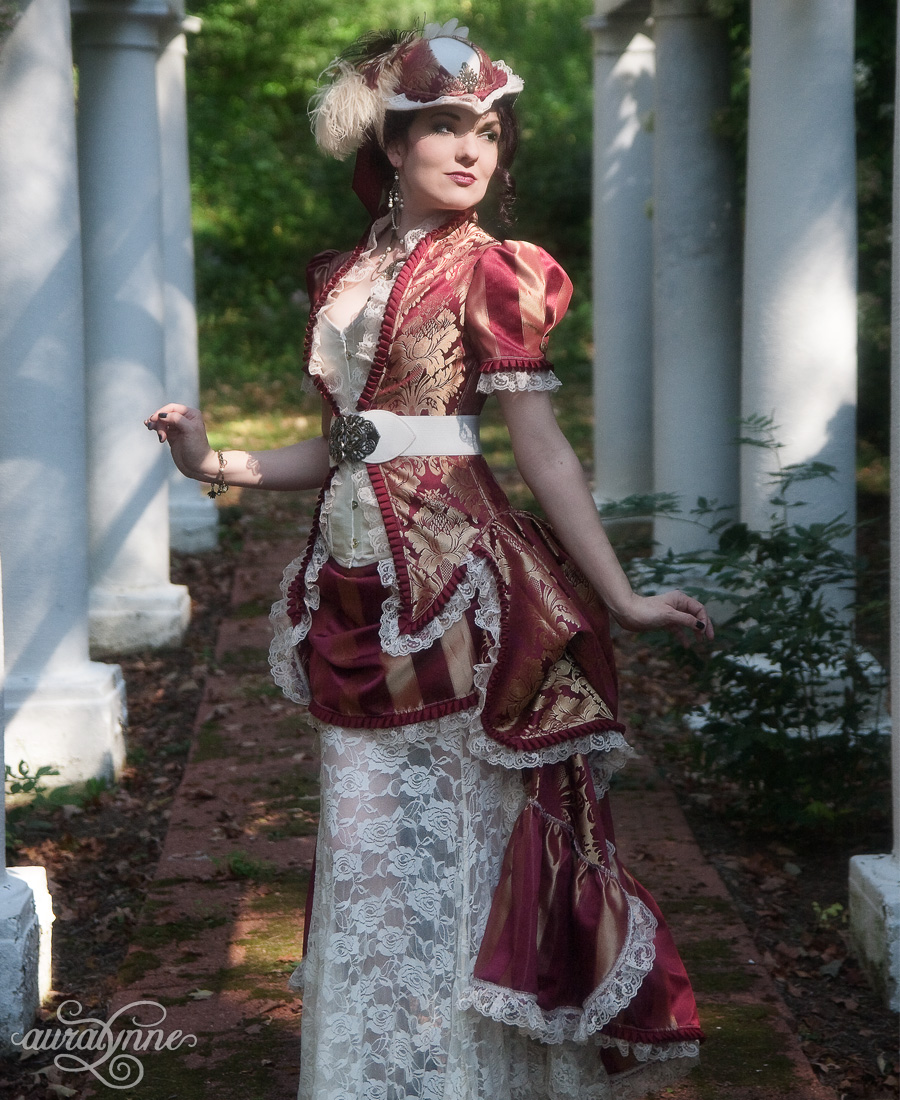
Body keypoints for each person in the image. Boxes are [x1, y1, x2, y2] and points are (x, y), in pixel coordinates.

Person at [145, 20, 713, 1100]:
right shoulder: (345, 279)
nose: (471, 150)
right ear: (392, 145)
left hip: (462, 598)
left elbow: (538, 446)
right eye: (447, 126)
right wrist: (203, 457)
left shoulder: (497, 270)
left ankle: (467, 1079)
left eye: (488, 133)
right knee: (365, 859)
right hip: (353, 592)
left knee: (466, 849)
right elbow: (340, 444)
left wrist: (623, 592)